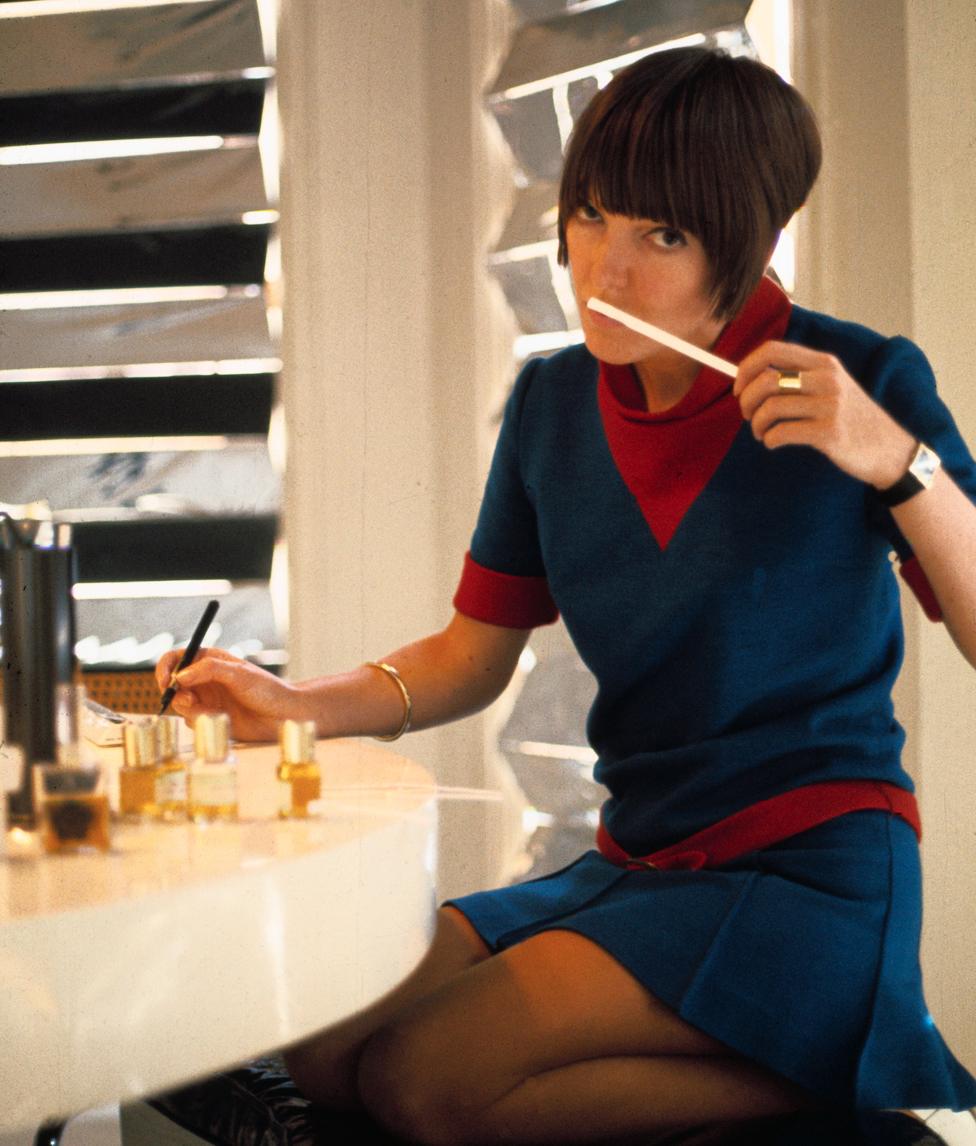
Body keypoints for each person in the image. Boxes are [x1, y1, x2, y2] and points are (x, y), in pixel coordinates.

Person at [156, 47, 976, 1145]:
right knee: (329, 1052)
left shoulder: (857, 382)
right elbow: (470, 653)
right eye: (589, 217)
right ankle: (803, 1062)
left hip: (808, 877)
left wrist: (898, 462)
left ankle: (839, 1067)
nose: (604, 271)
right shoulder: (550, 401)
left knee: (427, 1084)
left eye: (663, 236)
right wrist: (292, 705)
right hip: (635, 859)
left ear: (755, 240)